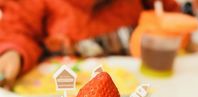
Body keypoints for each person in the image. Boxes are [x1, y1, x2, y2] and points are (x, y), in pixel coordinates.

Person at [0, 0, 180, 88]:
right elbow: (18, 30)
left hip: (139, 88)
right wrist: (13, 52)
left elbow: (169, 16)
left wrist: (177, 34)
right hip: (65, 95)